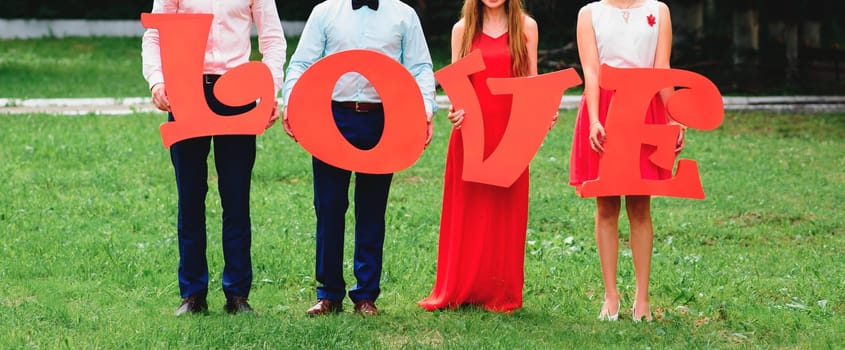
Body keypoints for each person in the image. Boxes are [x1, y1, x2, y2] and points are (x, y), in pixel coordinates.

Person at [282, 0, 436, 316]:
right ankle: (328, 294)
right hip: (331, 117)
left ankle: (366, 295)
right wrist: (292, 101)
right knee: (328, 205)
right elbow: (302, 63)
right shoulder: (325, 12)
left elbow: (420, 67)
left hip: (384, 119)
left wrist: (425, 111)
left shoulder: (404, 15)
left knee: (372, 207)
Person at [141, 0, 286, 316]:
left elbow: (273, 38)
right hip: (186, 88)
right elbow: (155, 35)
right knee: (190, 197)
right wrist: (157, 80)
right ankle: (192, 295)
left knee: (236, 198)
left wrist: (271, 88)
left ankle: (237, 295)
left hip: (238, 91)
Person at [418, 0, 540, 313]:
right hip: (472, 133)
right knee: (469, 212)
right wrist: (454, 111)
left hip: (510, 134)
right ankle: (462, 287)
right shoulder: (463, 29)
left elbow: (532, 82)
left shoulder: (526, 27)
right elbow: (457, 88)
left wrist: (542, 111)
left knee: (504, 211)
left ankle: (499, 290)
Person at [570, 0, 682, 322]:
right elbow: (591, 70)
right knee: (606, 206)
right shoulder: (589, 13)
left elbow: (662, 68)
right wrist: (594, 119)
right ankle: (611, 297)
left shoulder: (658, 10)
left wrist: (674, 117)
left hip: (644, 110)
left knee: (640, 206)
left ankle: (643, 299)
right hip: (605, 110)